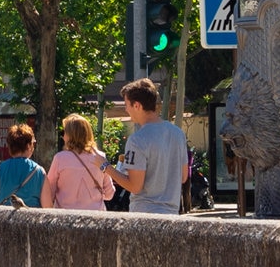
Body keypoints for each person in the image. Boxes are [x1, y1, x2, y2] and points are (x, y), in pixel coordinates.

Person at [114, 77, 188, 216]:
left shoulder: (137, 140)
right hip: (172, 214)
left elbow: (135, 186)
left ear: (137, 105)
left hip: (144, 214)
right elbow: (183, 177)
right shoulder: (178, 133)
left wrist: (105, 168)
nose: (126, 109)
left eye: (127, 105)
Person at [40, 113, 116, 211]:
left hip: (66, 216)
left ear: (69, 136)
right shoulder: (100, 157)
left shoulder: (60, 158)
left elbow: (49, 191)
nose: (63, 136)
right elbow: (109, 194)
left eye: (64, 132)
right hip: (95, 216)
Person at [0, 123, 45, 207]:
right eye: (33, 143)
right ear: (29, 145)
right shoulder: (39, 171)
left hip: (3, 217)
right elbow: (48, 206)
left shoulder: (0, 168)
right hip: (30, 218)